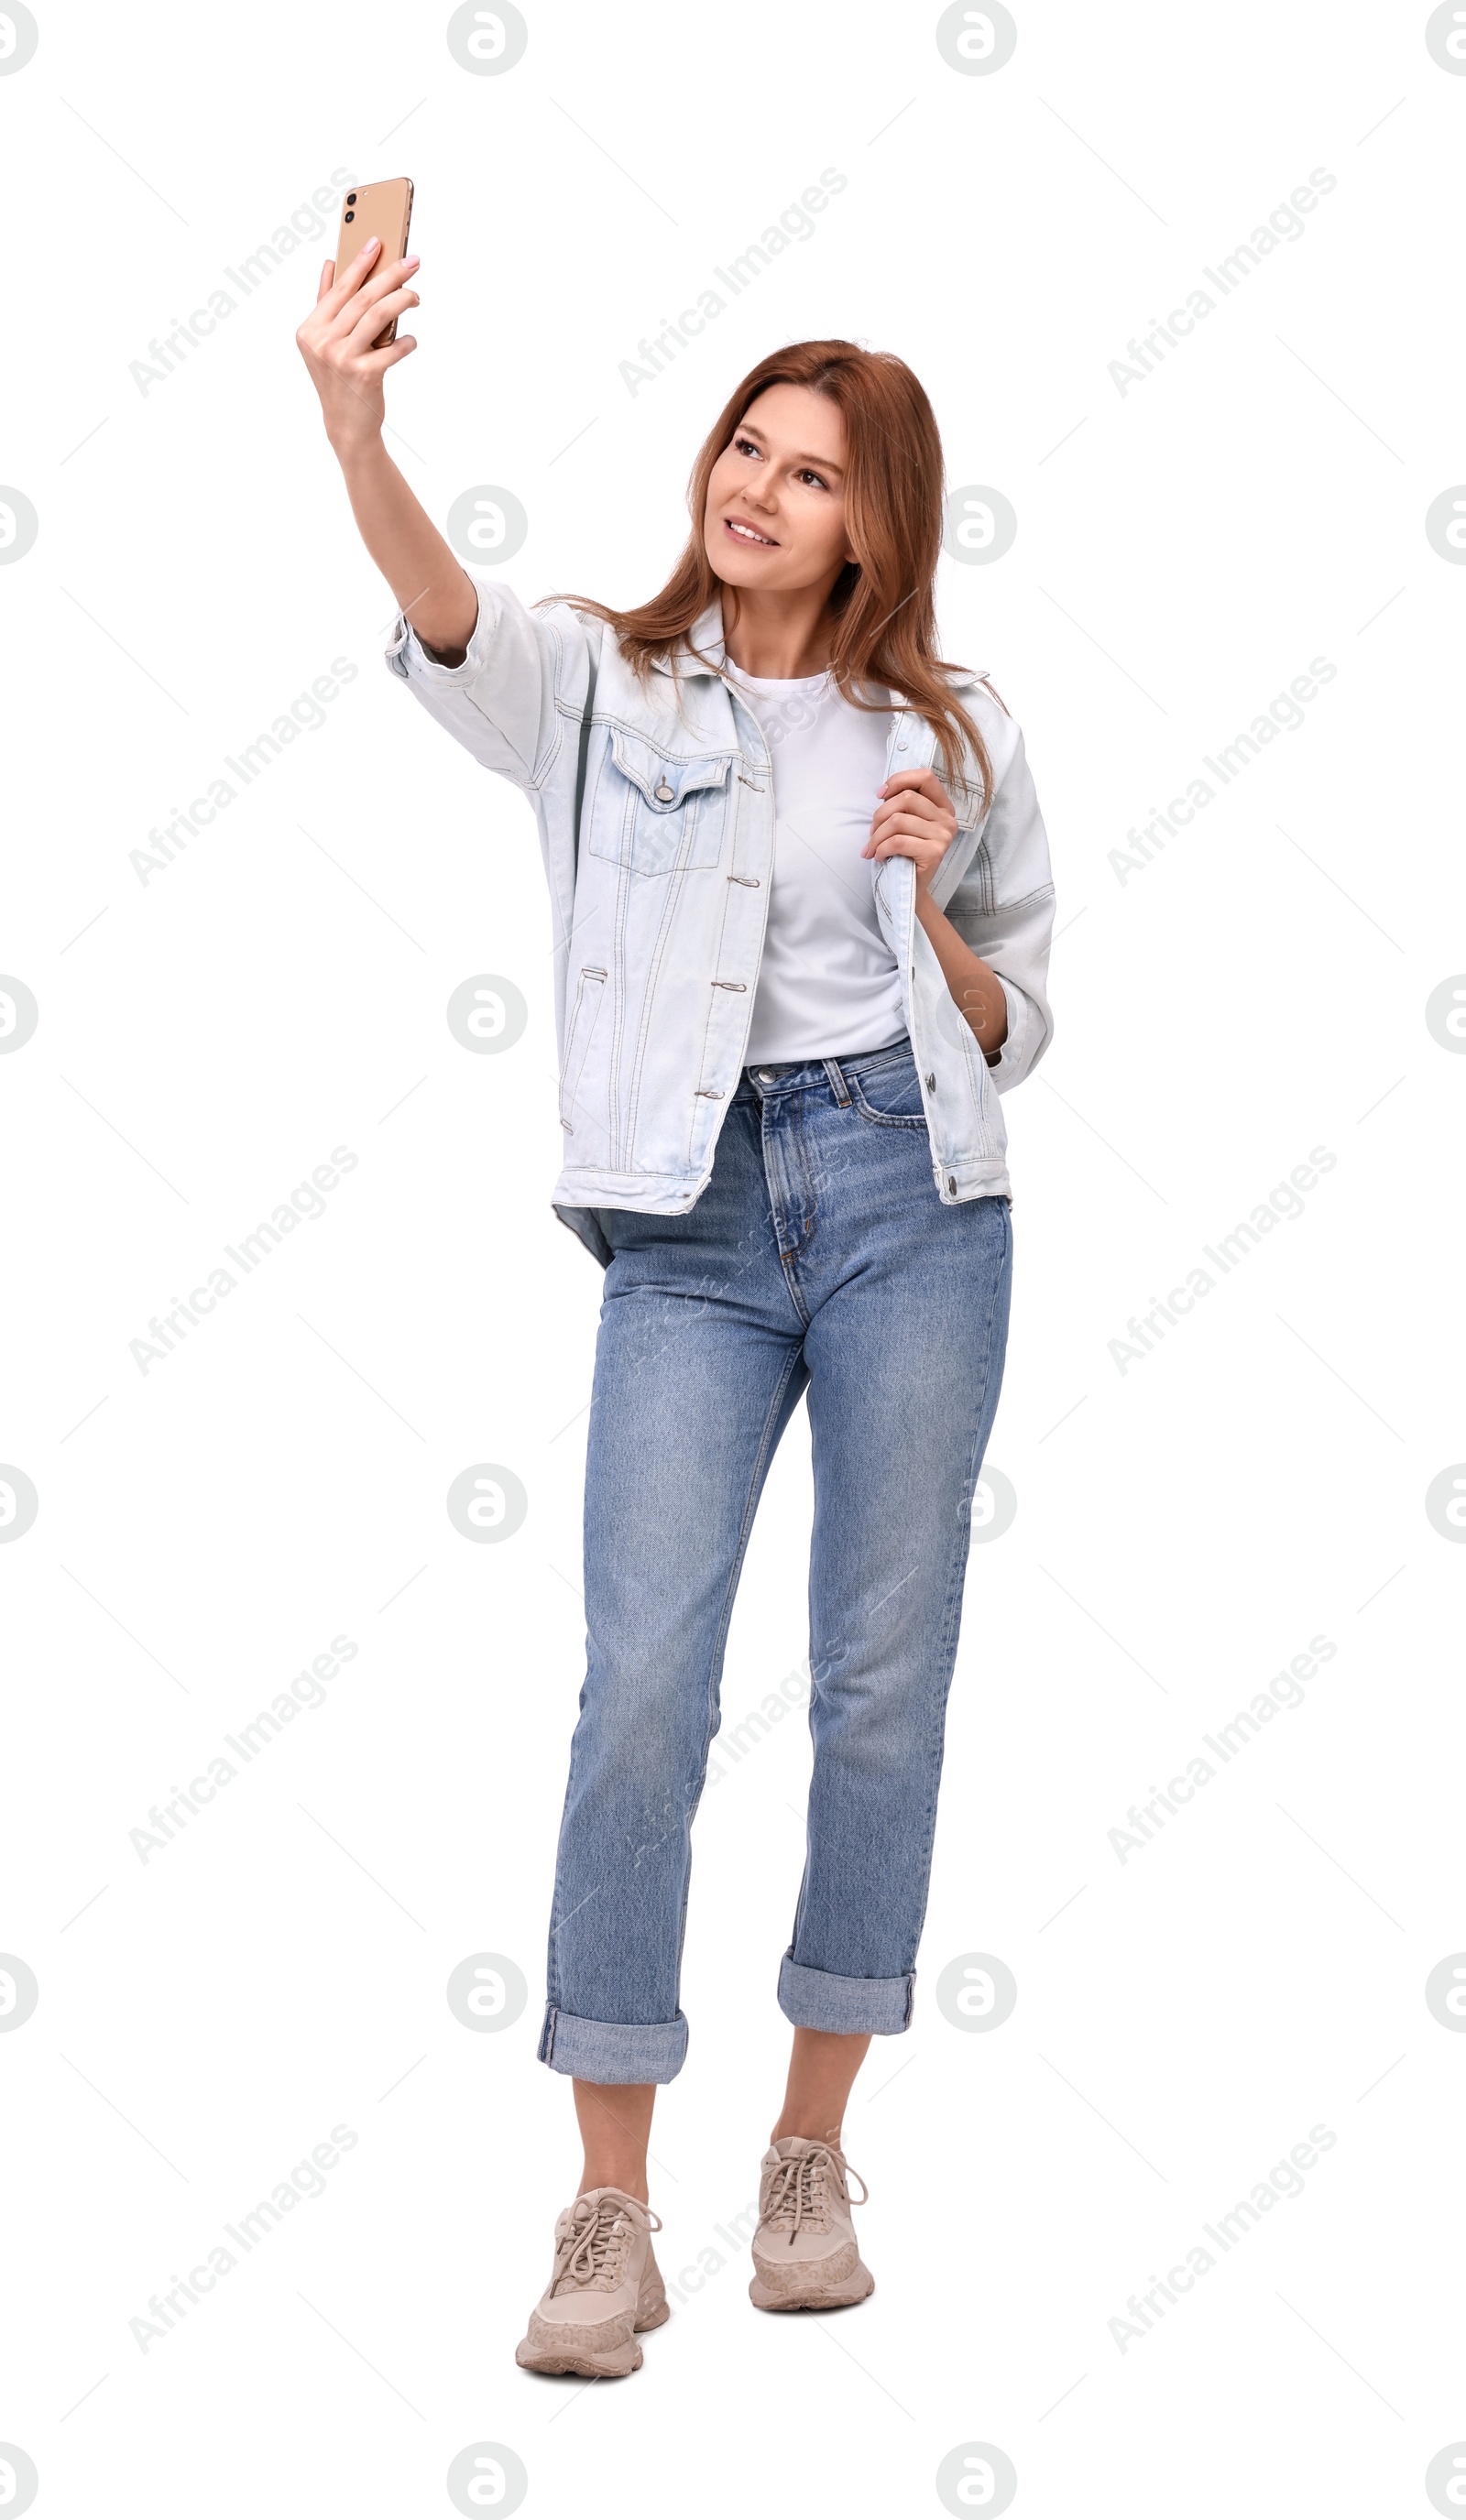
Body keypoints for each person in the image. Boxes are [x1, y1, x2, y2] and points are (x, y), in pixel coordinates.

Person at [297, 235, 1056, 2379]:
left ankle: (807, 2152)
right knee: (642, 1682)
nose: (759, 486)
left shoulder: (957, 724)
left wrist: (926, 899)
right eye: (746, 442)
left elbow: (1011, 1022)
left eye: (812, 471)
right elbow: (440, 609)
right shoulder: (605, 680)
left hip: (913, 1195)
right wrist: (357, 427)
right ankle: (608, 2202)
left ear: (876, 516)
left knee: (877, 1685)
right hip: (689, 1219)